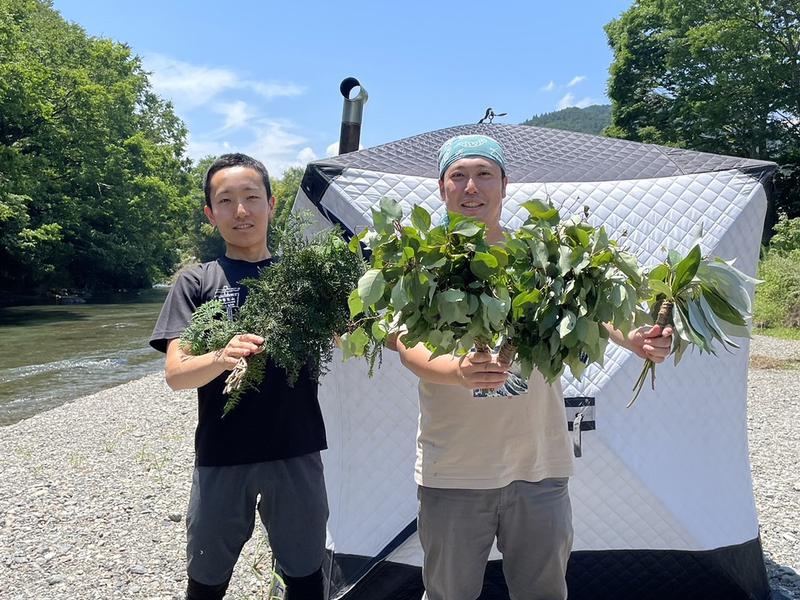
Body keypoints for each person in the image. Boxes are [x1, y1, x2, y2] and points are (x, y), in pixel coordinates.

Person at [392, 135, 673, 600]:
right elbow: (405, 344)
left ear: (504, 183)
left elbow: (592, 311)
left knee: (543, 592)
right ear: (441, 188)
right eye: (458, 176)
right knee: (448, 594)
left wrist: (637, 338)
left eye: (484, 174)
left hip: (539, 467)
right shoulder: (420, 262)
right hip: (455, 471)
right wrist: (457, 372)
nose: (471, 187)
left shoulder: (540, 257)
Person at [150, 153, 328, 600]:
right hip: (222, 453)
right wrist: (222, 355)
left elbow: (354, 333)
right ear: (211, 214)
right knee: (207, 580)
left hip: (296, 448)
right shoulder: (196, 283)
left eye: (251, 197)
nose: (241, 211)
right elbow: (177, 373)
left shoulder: (302, 278)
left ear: (272, 202)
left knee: (306, 575)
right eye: (226, 201)